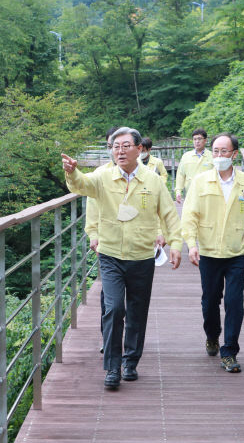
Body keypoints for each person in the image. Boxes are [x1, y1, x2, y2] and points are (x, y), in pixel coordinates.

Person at [61, 127, 182, 389]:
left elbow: (170, 214)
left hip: (142, 255)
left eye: (126, 146)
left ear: (139, 150)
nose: (120, 150)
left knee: (137, 311)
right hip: (111, 254)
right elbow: (84, 185)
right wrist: (72, 173)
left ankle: (130, 362)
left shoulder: (153, 180)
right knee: (114, 308)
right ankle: (112, 367)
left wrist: (176, 244)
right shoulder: (103, 176)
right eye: (116, 146)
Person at [181, 133, 244, 373]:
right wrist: (191, 244)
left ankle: (230, 351)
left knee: (235, 302)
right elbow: (190, 215)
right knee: (210, 301)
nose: (219, 155)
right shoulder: (201, 181)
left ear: (235, 154)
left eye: (224, 151)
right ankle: (212, 335)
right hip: (209, 251)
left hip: (237, 251)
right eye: (215, 151)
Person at [85, 127, 119, 353]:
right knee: (109, 297)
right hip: (108, 243)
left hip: (136, 247)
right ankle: (108, 339)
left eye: (118, 145)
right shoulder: (100, 174)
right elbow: (92, 206)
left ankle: (126, 342)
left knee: (130, 300)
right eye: (111, 146)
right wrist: (93, 234)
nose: (115, 151)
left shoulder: (143, 175)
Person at [175, 128, 213, 203]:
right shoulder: (186, 156)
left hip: (208, 194)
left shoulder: (212, 156)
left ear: (205, 140)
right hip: (190, 194)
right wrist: (178, 191)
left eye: (199, 139)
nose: (197, 141)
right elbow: (181, 175)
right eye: (194, 139)